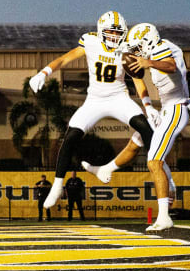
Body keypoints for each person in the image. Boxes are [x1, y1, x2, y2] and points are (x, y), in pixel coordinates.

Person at [28, 11, 156, 209]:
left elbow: (138, 80)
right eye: (110, 32)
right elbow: (64, 59)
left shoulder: (127, 48)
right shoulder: (90, 41)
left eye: (118, 33)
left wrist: (148, 105)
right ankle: (57, 186)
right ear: (101, 31)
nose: (114, 37)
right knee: (70, 137)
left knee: (146, 128)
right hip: (94, 100)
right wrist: (45, 72)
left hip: (119, 98)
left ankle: (163, 175)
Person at [90, 23, 190, 232]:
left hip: (177, 107)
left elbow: (171, 66)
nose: (136, 52)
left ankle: (165, 215)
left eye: (138, 48)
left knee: (154, 161)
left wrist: (147, 61)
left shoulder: (164, 47)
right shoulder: (150, 55)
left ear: (148, 42)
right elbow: (139, 80)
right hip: (165, 108)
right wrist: (148, 106)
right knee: (136, 142)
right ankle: (107, 169)